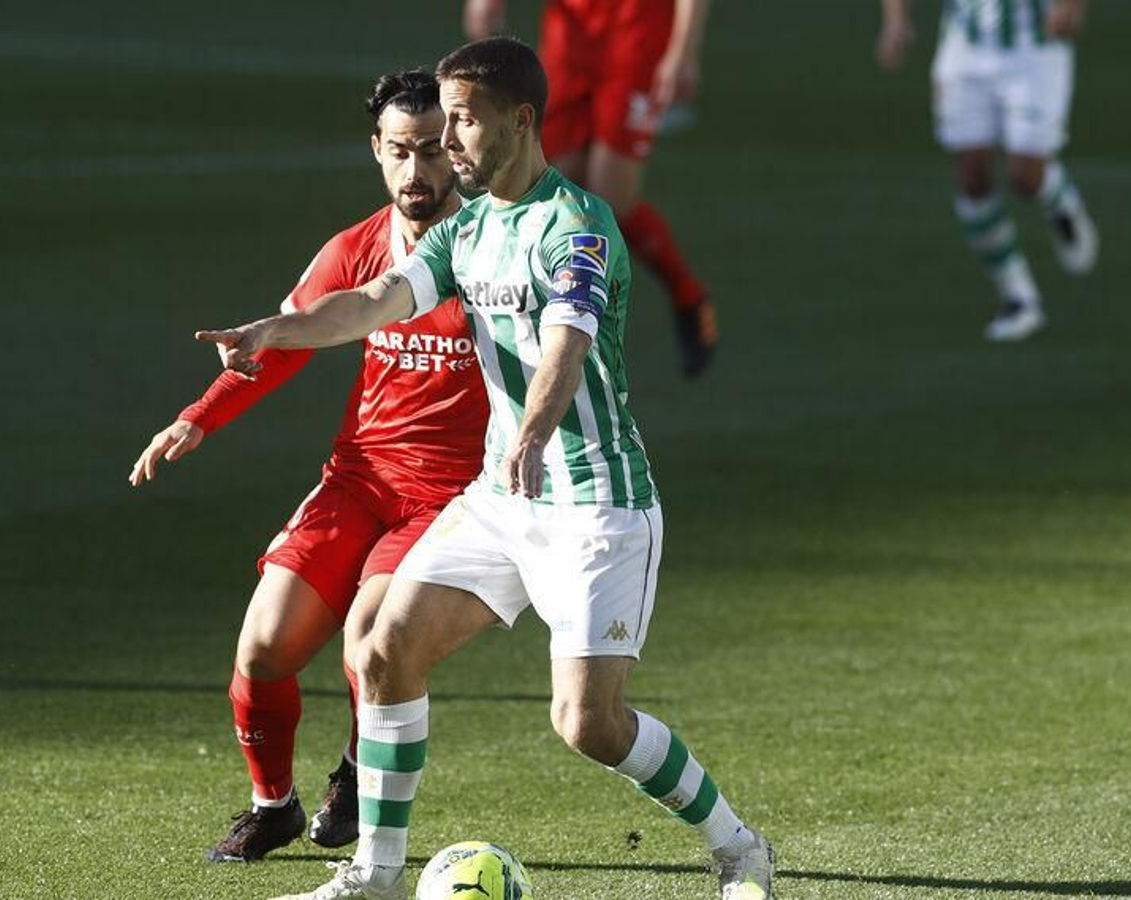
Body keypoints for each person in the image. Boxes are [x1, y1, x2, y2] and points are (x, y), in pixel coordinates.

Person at [198, 37, 775, 900]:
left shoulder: (576, 225)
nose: (448, 140)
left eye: (464, 120)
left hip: (595, 505)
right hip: (503, 499)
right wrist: (275, 330)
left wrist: (534, 432)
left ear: (520, 120)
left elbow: (567, 342)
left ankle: (739, 847)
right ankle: (376, 874)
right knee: (386, 650)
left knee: (589, 723)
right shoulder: (466, 230)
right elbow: (376, 300)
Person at [127, 70, 487, 863]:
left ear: (459, 149)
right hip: (360, 479)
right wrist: (197, 416)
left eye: (433, 150)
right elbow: (285, 341)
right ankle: (274, 806)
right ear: (377, 150)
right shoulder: (355, 248)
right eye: (400, 151)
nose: (417, 170)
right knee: (263, 647)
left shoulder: (491, 250)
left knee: (371, 641)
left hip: (450, 499)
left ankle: (359, 773)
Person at [464, 0, 720, 377]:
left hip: (636, 35)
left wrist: (683, 50)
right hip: (569, 40)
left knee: (610, 199)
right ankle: (546, 330)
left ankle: (686, 296)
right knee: (554, 185)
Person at [877, 0, 1099, 342]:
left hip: (1034, 48)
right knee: (970, 174)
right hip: (966, 46)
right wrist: (896, 21)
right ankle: (1018, 297)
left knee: (1025, 175)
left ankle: (1059, 199)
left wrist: (1071, 7)